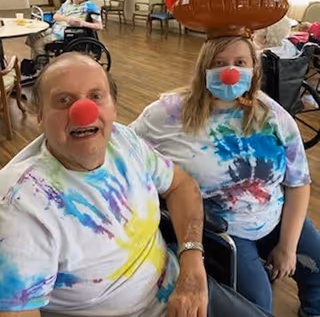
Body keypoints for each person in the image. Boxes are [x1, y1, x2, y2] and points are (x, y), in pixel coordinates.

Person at [0, 52, 270, 317]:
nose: (84, 111)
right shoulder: (21, 206)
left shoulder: (124, 140)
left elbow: (181, 185)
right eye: (63, 100)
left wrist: (191, 261)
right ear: (40, 116)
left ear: (112, 107)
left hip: (182, 287)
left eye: (95, 96)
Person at [130, 33, 320, 317]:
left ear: (253, 69)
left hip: (275, 214)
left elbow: (298, 183)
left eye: (240, 62)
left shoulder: (273, 115)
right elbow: (123, 145)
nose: (230, 72)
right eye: (219, 63)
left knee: (317, 268)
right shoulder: (166, 114)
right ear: (204, 68)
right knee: (257, 304)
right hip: (224, 229)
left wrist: (287, 247)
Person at [26, 0, 103, 58]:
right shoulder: (68, 3)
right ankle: (35, 60)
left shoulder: (90, 6)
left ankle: (43, 64)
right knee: (32, 35)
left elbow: (99, 26)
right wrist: (66, 19)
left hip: (67, 33)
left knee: (38, 44)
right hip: (56, 28)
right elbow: (55, 16)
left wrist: (82, 23)